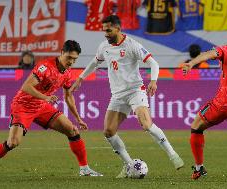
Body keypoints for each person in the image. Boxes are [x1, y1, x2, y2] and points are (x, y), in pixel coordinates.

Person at [70, 15, 184, 178]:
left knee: (146, 124)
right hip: (117, 95)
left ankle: (173, 154)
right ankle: (129, 165)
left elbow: (154, 63)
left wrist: (153, 81)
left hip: (135, 91)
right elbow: (95, 62)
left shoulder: (132, 45)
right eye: (104, 31)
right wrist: (80, 78)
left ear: (118, 28)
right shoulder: (104, 47)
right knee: (108, 131)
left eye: (108, 30)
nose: (106, 34)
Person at [0, 40, 103, 177]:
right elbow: (26, 86)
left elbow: (68, 96)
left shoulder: (67, 72)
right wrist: (46, 98)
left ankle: (84, 169)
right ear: (61, 53)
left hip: (41, 106)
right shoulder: (45, 67)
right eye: (69, 58)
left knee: (72, 130)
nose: (71, 62)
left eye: (74, 59)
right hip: (23, 105)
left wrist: (78, 118)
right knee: (13, 142)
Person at [182, 29, 227, 180]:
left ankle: (199, 168)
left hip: (225, 101)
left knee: (196, 126)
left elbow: (209, 54)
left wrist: (192, 62)